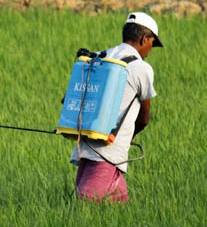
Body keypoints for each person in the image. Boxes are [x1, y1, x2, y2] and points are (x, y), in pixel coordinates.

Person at [69, 12, 162, 203]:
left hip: (87, 142)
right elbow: (144, 118)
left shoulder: (102, 56)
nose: (151, 50)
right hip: (108, 151)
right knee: (86, 203)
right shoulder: (141, 68)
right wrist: (128, 138)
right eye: (152, 43)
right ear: (144, 39)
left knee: (118, 205)